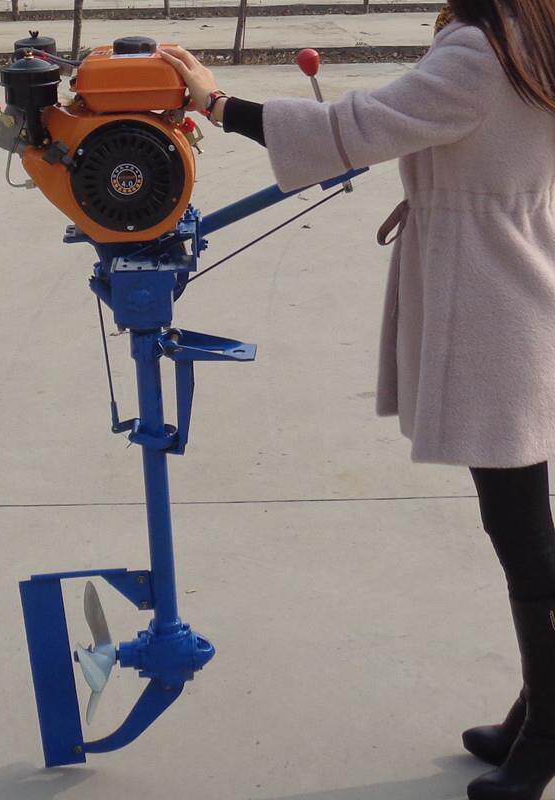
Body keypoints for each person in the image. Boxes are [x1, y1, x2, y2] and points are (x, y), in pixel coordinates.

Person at [160, 3, 555, 799]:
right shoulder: (533, 41)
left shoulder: (482, 53)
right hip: (517, 275)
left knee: (520, 529)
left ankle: (548, 728)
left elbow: (355, 127)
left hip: (490, 300)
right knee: (522, 520)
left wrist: (214, 102)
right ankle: (537, 707)